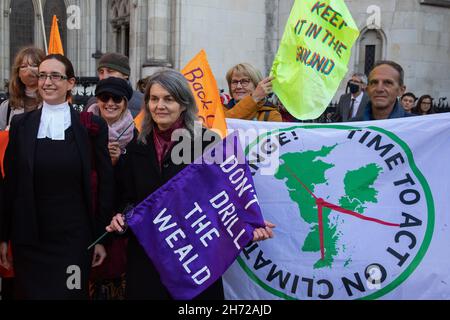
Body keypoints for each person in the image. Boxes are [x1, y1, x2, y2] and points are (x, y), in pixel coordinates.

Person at [105, 69, 275, 300]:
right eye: (154, 99)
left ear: (183, 104)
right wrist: (121, 218)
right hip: (148, 260)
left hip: (195, 260)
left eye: (169, 99)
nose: (160, 106)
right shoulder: (137, 145)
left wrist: (249, 221)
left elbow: (227, 195)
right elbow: (126, 198)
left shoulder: (207, 143)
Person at [0, 54, 114, 299]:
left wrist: (102, 238)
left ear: (70, 83)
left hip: (73, 240)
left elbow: (105, 184)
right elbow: (10, 184)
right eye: (42, 75)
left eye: (55, 76)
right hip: (29, 239)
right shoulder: (21, 125)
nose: (47, 82)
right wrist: (3, 236)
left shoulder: (90, 127)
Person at [87, 77, 134, 300]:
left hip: (117, 226)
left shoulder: (136, 136)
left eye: (117, 98)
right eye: (105, 97)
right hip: (88, 219)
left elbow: (134, 186)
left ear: (125, 103)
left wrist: (118, 162)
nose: (110, 103)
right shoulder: (84, 127)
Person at [84, 52, 144, 118]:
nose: (105, 77)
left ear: (125, 74)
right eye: (101, 72)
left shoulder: (142, 102)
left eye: (110, 71)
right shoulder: (92, 102)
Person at [0, 47, 45, 130]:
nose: (29, 69)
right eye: (24, 66)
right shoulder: (7, 107)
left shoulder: (51, 103)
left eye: (34, 65)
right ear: (18, 73)